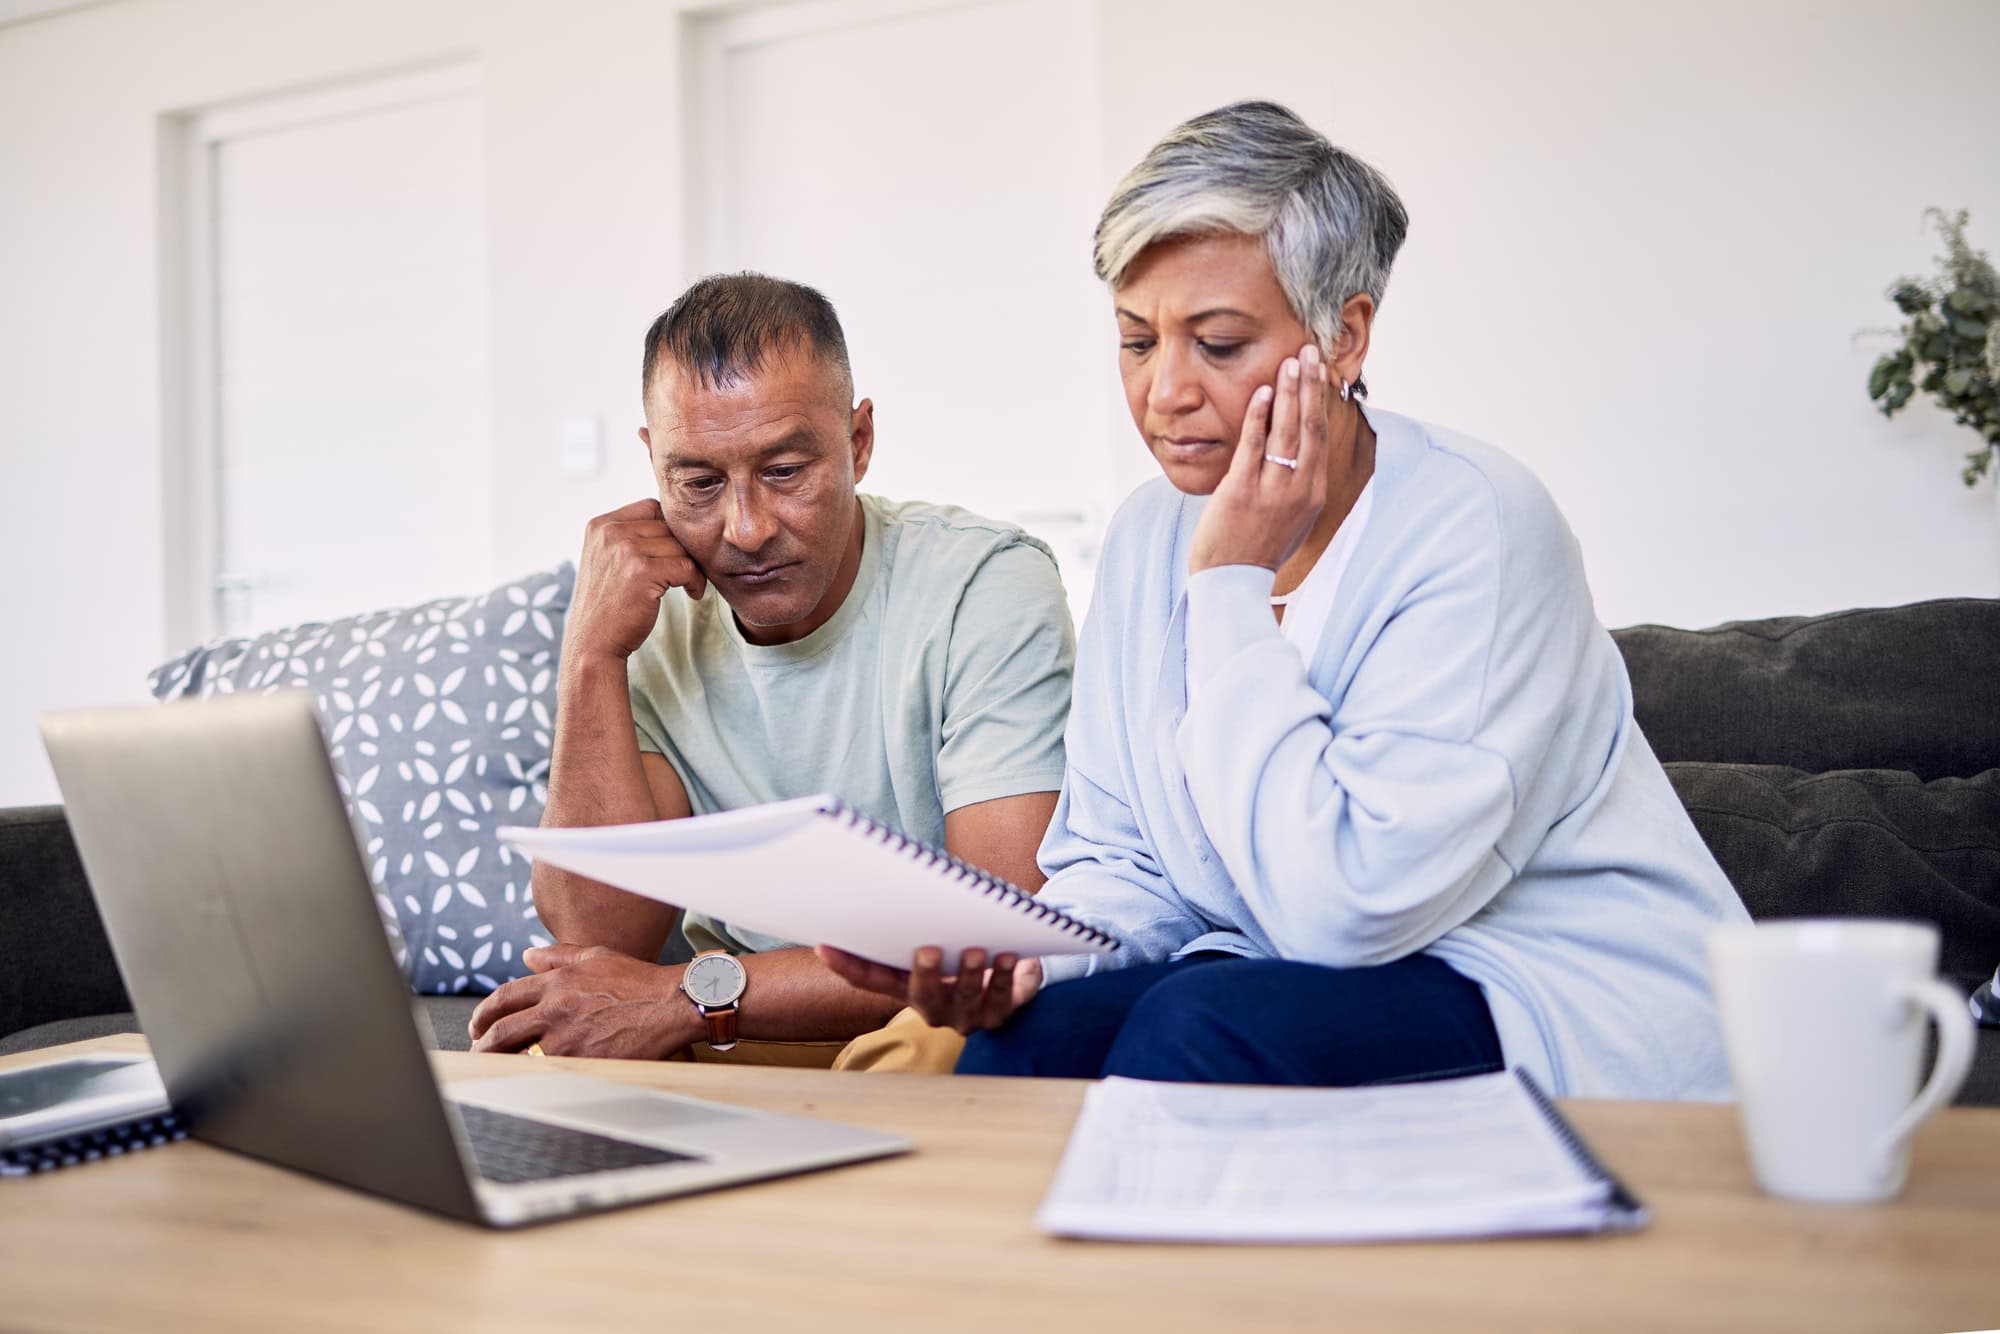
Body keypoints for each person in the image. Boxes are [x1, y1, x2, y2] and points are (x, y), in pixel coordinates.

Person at [822, 101, 1748, 1098]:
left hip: (1542, 981)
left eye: (1215, 343)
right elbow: (1121, 859)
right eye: (1136, 340)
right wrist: (1022, 961)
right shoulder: (1145, 536)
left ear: (1343, 335)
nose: (1162, 390)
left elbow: (1348, 909)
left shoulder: (1474, 524)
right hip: (1288, 969)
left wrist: (1227, 583)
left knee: (1201, 1028)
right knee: (1024, 1041)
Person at [470, 273, 1074, 1062]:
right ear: (653, 464)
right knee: (547, 1055)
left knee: (931, 1047)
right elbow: (596, 935)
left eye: (786, 471)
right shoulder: (651, 612)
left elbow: (995, 942)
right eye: (699, 483)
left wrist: (686, 995)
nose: (745, 530)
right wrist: (591, 656)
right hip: (731, 1031)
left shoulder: (985, 585)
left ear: (858, 443)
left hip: (915, 1020)